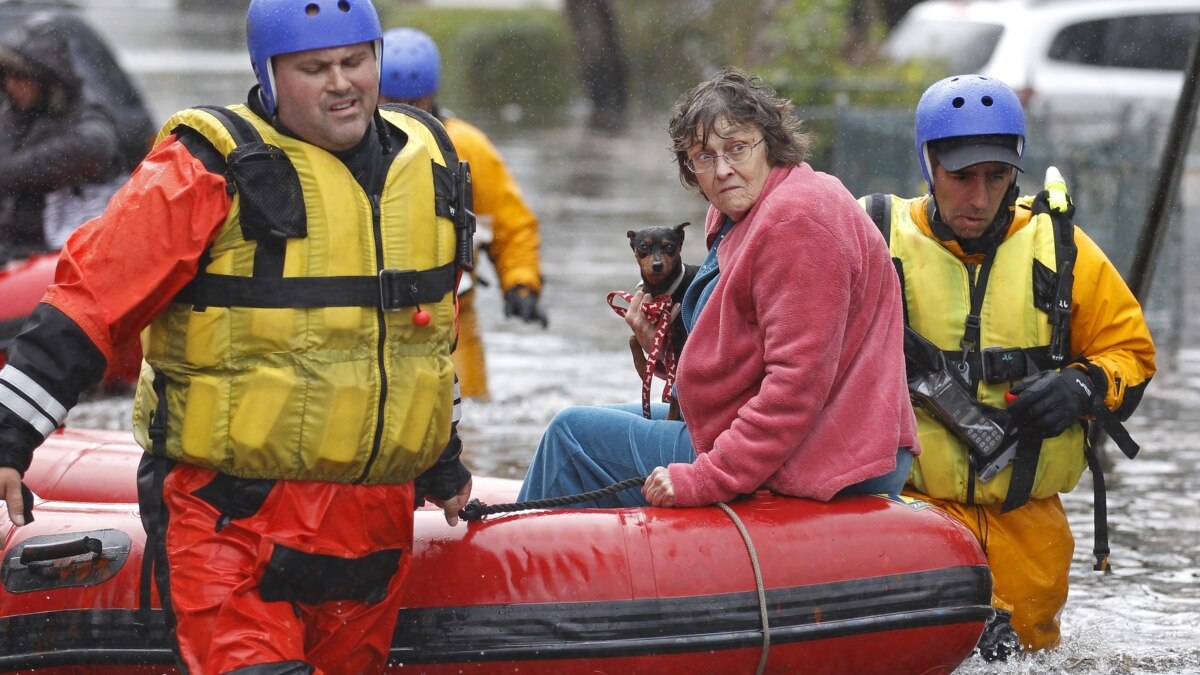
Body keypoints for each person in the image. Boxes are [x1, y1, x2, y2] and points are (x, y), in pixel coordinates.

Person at [0, 0, 473, 672]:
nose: (342, 82)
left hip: (369, 527)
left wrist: (443, 461)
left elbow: (421, 343)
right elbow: (89, 303)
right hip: (231, 518)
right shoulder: (206, 166)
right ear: (271, 76)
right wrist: (10, 436)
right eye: (316, 68)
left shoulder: (429, 164)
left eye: (355, 61)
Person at [518, 66, 918, 509]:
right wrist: (665, 350)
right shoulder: (748, 211)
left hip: (829, 454)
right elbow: (742, 365)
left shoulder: (798, 221)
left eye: (737, 148)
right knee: (592, 422)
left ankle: (504, 571)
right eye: (704, 156)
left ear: (771, 142)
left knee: (571, 434)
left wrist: (705, 479)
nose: (722, 169)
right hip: (800, 440)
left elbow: (795, 388)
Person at [860, 74, 1156, 659]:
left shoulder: (1062, 248)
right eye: (961, 176)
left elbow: (1133, 355)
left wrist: (1082, 383)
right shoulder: (872, 235)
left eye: (996, 177)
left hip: (1029, 527)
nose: (978, 197)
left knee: (1024, 659)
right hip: (911, 517)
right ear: (928, 164)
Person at [378, 27, 547, 400]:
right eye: (390, 100)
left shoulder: (468, 145)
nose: (402, 112)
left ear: (431, 96)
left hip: (452, 315)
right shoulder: (352, 142)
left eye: (414, 102)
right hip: (373, 314)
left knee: (469, 423)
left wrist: (520, 283)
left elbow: (510, 222)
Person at [0, 11, 148, 254]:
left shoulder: (84, 114)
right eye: (5, 77)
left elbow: (96, 148)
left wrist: (11, 173)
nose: (11, 86)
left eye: (19, 76)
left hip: (55, 249)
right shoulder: (13, 116)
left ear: (43, 76)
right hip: (13, 246)